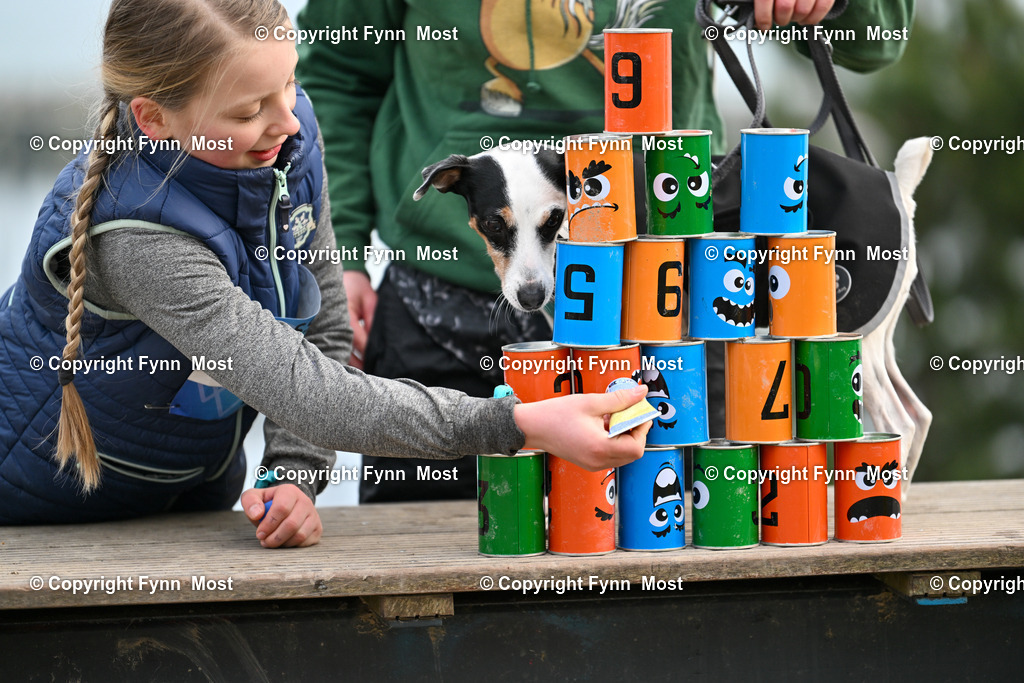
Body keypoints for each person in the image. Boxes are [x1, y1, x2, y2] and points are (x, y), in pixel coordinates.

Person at [0, 0, 652, 546]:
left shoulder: (287, 140)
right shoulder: (138, 238)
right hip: (43, 513)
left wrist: (290, 471)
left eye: (288, 85)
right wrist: (522, 425)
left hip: (185, 506)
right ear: (153, 119)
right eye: (249, 109)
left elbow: (319, 329)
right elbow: (307, 388)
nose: (286, 120)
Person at [296, 0, 914, 502]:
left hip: (669, 311)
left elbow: (878, 36)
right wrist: (339, 247)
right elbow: (336, 73)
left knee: (677, 555)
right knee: (418, 572)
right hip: (438, 309)